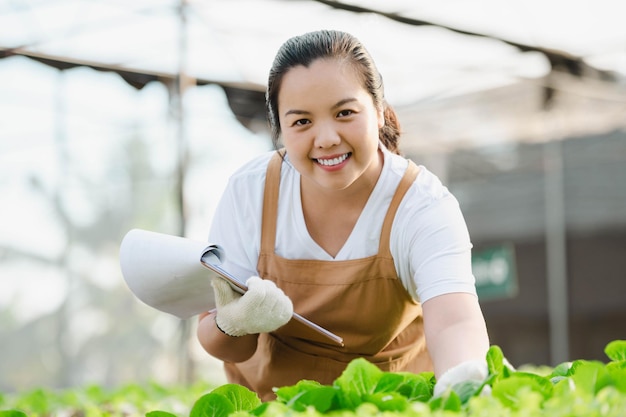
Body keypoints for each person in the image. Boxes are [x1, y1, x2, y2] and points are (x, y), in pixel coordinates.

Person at [196, 29, 490, 401]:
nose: (327, 138)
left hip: (393, 406)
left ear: (379, 112)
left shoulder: (422, 205)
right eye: (302, 122)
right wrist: (234, 323)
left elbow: (455, 321)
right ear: (281, 129)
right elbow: (216, 339)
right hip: (277, 406)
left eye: (345, 113)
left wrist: (460, 388)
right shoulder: (249, 192)